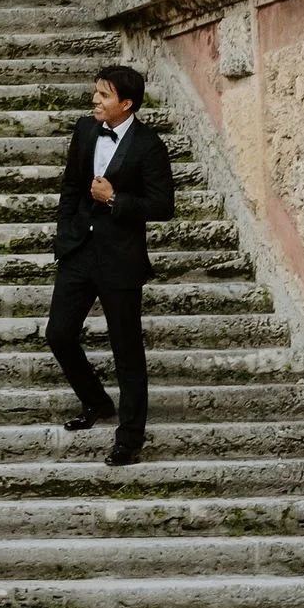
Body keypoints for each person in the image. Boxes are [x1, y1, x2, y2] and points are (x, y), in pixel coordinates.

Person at [45, 60, 175, 467]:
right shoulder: (85, 131)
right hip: (79, 251)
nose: (94, 100)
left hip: (120, 259)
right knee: (59, 334)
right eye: (95, 92)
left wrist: (115, 199)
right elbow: (70, 184)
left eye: (103, 95)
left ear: (127, 104)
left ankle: (130, 439)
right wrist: (66, 230)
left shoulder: (149, 144)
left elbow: (163, 206)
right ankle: (97, 403)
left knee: (127, 352)